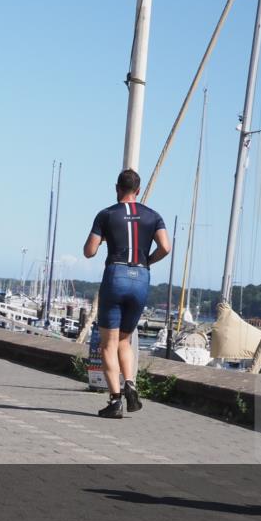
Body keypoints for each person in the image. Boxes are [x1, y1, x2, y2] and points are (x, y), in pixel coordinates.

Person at [83, 169, 171, 419]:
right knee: (124, 340)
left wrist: (101, 239)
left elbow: (89, 251)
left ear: (117, 188)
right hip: (141, 277)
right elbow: (165, 247)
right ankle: (130, 382)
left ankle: (115, 401)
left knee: (108, 344)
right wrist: (148, 260)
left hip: (116, 275)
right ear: (139, 190)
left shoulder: (107, 214)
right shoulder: (154, 216)